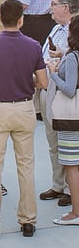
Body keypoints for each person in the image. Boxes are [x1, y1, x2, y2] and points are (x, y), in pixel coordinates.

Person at [0, 0, 48, 239]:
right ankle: (28, 220)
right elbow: (43, 82)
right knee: (26, 166)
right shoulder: (33, 46)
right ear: (21, 20)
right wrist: (26, 80)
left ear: (0, 19)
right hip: (24, 109)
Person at [37, 0, 79, 208]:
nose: (50, 8)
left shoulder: (76, 30)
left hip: (67, 95)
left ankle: (73, 190)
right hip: (49, 89)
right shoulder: (55, 29)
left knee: (71, 143)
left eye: (53, 4)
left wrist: (61, 58)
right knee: (53, 140)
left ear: (66, 7)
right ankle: (58, 184)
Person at [48, 15, 79, 226]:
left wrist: (53, 73)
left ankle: (75, 212)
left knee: (71, 165)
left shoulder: (72, 58)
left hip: (71, 118)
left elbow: (69, 89)